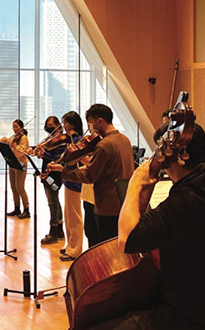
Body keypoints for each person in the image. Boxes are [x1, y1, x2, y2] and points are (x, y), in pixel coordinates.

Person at [84, 121, 205, 330]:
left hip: (199, 325)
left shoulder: (187, 200)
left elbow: (127, 240)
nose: (158, 157)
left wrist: (135, 183)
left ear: (180, 155)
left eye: (160, 150)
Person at [51, 104, 134, 244]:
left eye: (90, 122)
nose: (90, 127)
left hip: (107, 206)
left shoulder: (104, 145)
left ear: (99, 121)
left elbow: (89, 176)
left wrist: (63, 171)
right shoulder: (125, 140)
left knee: (104, 247)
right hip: (124, 202)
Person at [32, 116, 66, 244]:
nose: (49, 128)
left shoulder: (62, 141)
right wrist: (36, 152)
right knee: (54, 201)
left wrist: (44, 153)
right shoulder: (49, 139)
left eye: (52, 125)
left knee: (52, 202)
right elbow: (45, 155)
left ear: (58, 125)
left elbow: (58, 157)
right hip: (46, 172)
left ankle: (54, 232)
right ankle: (60, 230)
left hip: (55, 173)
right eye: (47, 126)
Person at [57, 111, 84, 262]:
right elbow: (62, 157)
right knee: (68, 217)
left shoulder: (78, 140)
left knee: (74, 217)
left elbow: (75, 160)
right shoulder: (70, 140)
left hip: (75, 181)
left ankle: (75, 249)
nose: (63, 126)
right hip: (68, 181)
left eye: (65, 123)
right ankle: (70, 245)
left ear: (71, 124)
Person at [0, 119, 30, 219]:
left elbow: (21, 152)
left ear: (21, 127)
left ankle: (26, 209)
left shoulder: (24, 138)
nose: (14, 129)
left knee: (20, 187)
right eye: (13, 127)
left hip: (21, 164)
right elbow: (7, 146)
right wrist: (4, 141)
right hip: (12, 163)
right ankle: (17, 208)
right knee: (13, 187)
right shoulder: (14, 137)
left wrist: (13, 146)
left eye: (16, 127)